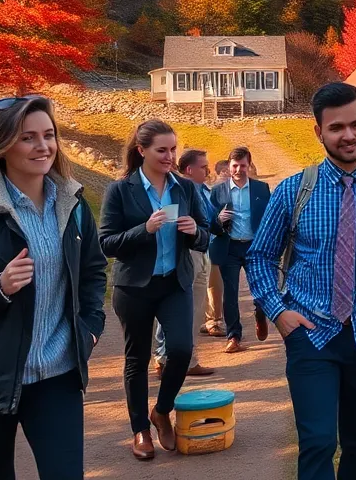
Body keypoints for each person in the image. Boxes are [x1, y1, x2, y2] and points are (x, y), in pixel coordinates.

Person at [247, 83, 356, 480]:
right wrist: (279, 313)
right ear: (319, 132)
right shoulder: (294, 190)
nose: (349, 135)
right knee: (318, 442)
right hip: (311, 335)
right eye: (337, 127)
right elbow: (259, 256)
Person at [0, 96, 107, 479]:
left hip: (58, 375)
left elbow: (94, 272)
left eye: (48, 135)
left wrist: (91, 328)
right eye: (28, 137)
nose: (43, 146)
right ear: (2, 144)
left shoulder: (73, 205)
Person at [100, 119, 210, 460]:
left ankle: (161, 411)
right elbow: (106, 243)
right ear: (142, 150)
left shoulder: (185, 188)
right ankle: (140, 431)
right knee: (137, 359)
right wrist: (143, 229)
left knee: (179, 350)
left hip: (174, 282)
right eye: (162, 150)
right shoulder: (120, 190)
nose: (170, 156)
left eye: (173, 149)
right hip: (134, 287)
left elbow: (207, 234)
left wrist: (195, 232)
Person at [153, 149, 214, 377]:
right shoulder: (174, 189)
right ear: (189, 169)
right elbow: (167, 224)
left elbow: (207, 221)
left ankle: (189, 359)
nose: (208, 171)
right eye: (203, 167)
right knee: (173, 311)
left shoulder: (201, 190)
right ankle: (162, 358)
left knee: (196, 311)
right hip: (184, 255)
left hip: (202, 251)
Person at [209, 147, 272, 353]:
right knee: (231, 293)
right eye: (235, 166)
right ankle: (233, 336)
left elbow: (270, 219)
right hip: (229, 247)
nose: (239, 170)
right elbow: (209, 223)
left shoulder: (262, 189)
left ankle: (260, 314)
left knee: (261, 290)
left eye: (243, 165)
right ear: (229, 166)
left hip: (255, 248)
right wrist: (218, 221)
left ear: (249, 166)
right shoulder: (217, 192)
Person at [202, 160, 231, 337]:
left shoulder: (206, 190)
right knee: (209, 281)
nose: (227, 174)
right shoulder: (211, 191)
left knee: (215, 280)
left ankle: (215, 318)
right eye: (224, 172)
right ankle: (211, 319)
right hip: (210, 240)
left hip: (218, 239)